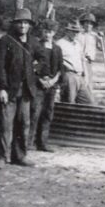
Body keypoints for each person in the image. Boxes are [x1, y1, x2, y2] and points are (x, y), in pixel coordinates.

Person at [0, 8, 39, 169]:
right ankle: (1, 157)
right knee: (5, 125)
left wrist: (36, 71)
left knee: (23, 124)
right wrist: (2, 88)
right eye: (20, 22)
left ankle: (20, 156)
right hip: (10, 91)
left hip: (26, 91)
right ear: (14, 24)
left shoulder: (33, 42)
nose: (23, 25)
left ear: (30, 25)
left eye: (26, 23)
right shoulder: (4, 41)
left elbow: (43, 60)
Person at [29, 18, 64, 153]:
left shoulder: (57, 49)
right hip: (38, 85)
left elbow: (61, 68)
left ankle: (42, 143)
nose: (47, 34)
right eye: (45, 31)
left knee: (47, 113)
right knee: (34, 113)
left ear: (54, 33)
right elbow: (31, 66)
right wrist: (40, 80)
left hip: (52, 85)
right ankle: (28, 142)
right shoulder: (36, 46)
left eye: (50, 32)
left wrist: (54, 81)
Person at [56, 21, 94, 104]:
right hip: (68, 75)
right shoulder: (60, 44)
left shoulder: (77, 44)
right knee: (69, 102)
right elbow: (55, 63)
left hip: (80, 76)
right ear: (67, 31)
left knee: (89, 102)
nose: (76, 34)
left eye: (77, 32)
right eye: (73, 31)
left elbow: (82, 60)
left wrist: (86, 76)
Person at [77, 12, 104, 93]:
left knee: (88, 83)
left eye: (91, 23)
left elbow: (103, 49)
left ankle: (87, 100)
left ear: (93, 25)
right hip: (78, 62)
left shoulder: (95, 36)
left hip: (88, 62)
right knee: (78, 82)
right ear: (83, 24)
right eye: (86, 23)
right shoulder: (78, 35)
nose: (88, 25)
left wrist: (101, 39)